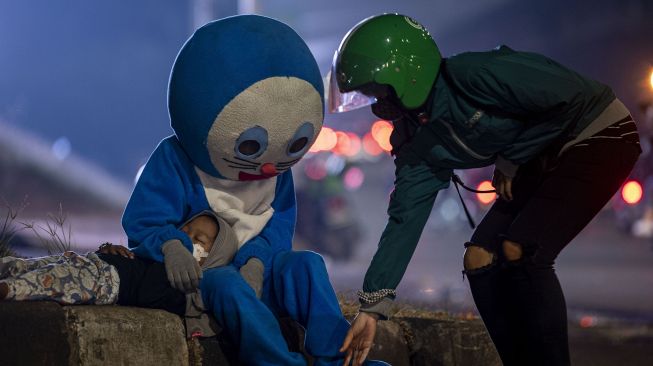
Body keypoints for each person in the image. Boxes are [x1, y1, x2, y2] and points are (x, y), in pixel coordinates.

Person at [330, 13, 642, 366]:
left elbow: (566, 99)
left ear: (404, 73)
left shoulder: (474, 73)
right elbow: (404, 221)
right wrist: (372, 308)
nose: (375, 105)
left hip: (600, 133)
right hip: (542, 157)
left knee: (521, 250)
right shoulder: (417, 139)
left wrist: (511, 159)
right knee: (479, 259)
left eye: (374, 90)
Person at [122, 14, 388, 366]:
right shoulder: (176, 159)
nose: (265, 166)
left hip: (259, 274)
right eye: (250, 147)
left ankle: (336, 357)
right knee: (227, 284)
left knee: (307, 264)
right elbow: (144, 221)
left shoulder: (279, 171)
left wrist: (257, 263)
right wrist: (172, 246)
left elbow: (280, 228)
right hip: (207, 279)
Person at [0, 211, 228, 323]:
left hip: (106, 283)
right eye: (186, 230)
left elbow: (148, 293)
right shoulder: (161, 250)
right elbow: (134, 254)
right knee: (28, 265)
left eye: (199, 239)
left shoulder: (181, 290)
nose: (187, 239)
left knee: (54, 281)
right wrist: (109, 248)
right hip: (93, 261)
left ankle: (8, 289)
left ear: (209, 259)